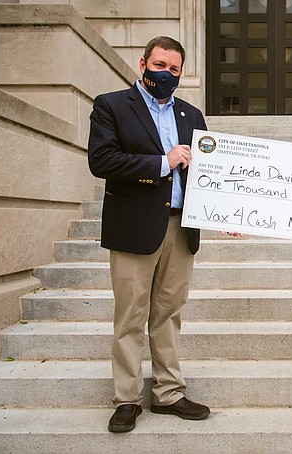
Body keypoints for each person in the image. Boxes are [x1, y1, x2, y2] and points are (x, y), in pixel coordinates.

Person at [88, 36, 210, 433]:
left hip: (180, 227)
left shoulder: (192, 115)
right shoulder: (111, 106)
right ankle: (126, 399)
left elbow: (209, 174)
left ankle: (168, 392)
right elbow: (102, 159)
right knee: (130, 315)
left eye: (174, 69)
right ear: (143, 64)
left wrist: (222, 209)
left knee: (168, 314)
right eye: (160, 65)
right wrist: (162, 162)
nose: (166, 74)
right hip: (134, 227)